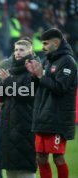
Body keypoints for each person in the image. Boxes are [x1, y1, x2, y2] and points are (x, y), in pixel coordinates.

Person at [26, 28, 77, 178]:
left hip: (58, 119)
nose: (42, 47)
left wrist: (41, 76)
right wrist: (34, 77)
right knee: (40, 157)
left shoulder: (68, 62)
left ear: (56, 43)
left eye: (45, 43)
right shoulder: (47, 60)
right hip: (42, 117)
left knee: (58, 157)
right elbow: (36, 89)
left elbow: (60, 88)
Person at [0, 39, 38, 178]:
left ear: (29, 52)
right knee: (10, 168)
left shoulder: (34, 70)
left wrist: (8, 81)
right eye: (16, 49)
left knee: (25, 167)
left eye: (21, 50)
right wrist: (3, 83)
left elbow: (25, 94)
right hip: (9, 122)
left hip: (26, 121)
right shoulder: (10, 69)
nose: (18, 52)